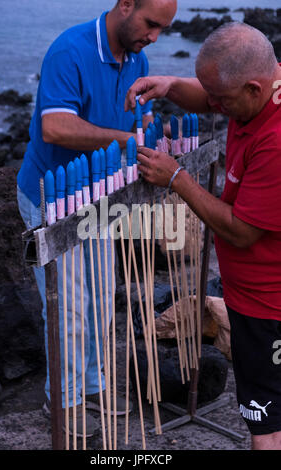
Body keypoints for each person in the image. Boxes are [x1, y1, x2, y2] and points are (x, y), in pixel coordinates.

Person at [17, 0, 177, 438]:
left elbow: (140, 118)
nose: (154, 37)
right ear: (125, 5)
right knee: (67, 307)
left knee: (102, 299)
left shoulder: (138, 56)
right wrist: (127, 140)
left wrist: (148, 130)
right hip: (52, 200)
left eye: (163, 29)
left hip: (101, 196)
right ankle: (63, 401)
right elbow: (55, 127)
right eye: (151, 24)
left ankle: (90, 385)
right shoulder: (70, 50)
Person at [125, 22, 281, 450]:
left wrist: (177, 177)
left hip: (267, 307)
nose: (213, 105)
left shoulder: (276, 141)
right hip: (256, 296)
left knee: (266, 428)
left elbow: (241, 231)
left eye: (221, 100)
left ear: (253, 88)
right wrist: (172, 84)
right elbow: (216, 93)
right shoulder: (267, 84)